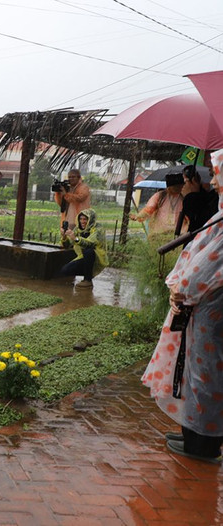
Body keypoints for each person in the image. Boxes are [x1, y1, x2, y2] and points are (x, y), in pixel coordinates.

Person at [141, 148, 223, 463]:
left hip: (209, 310)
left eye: (217, 174)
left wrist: (183, 289)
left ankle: (203, 444)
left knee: (206, 374)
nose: (213, 181)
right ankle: (193, 430)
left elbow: (208, 266)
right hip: (202, 310)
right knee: (193, 370)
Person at [130, 171, 186, 244]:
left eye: (180, 186)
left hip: (178, 234)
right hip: (159, 233)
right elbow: (149, 209)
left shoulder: (185, 197)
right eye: (175, 186)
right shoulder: (160, 196)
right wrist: (138, 216)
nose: (178, 188)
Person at [58, 208, 108, 288]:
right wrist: (64, 236)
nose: (82, 222)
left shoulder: (98, 229)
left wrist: (76, 238)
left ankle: (87, 280)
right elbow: (67, 246)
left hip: (97, 258)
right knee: (65, 271)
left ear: (90, 220)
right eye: (80, 219)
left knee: (89, 251)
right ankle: (86, 273)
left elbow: (89, 243)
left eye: (85, 219)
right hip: (82, 257)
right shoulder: (78, 229)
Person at [175, 165, 216, 246]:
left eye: (215, 175)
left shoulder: (218, 202)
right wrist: (197, 190)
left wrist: (191, 195)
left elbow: (201, 220)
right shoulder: (213, 196)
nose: (212, 182)